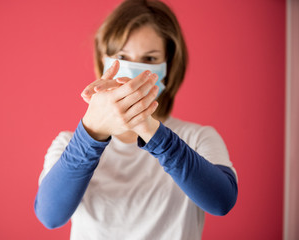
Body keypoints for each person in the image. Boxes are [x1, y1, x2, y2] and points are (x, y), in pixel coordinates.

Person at [34, 0, 238, 239]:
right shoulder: (69, 142)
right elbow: (50, 215)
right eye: (122, 57)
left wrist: (150, 128)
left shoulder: (199, 137)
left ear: (169, 68)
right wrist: (91, 134)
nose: (133, 71)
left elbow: (221, 201)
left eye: (150, 59)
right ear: (104, 62)